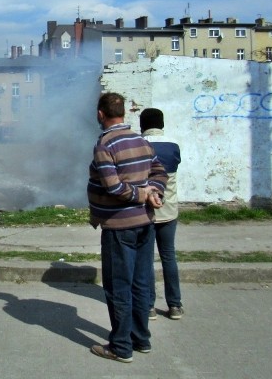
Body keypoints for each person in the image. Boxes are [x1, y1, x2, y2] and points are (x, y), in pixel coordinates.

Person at [87, 92, 167, 363]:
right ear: (124, 113)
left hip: (120, 227)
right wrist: (155, 191)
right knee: (140, 283)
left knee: (118, 286)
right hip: (145, 223)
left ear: (101, 114)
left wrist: (143, 194)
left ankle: (121, 347)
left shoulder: (105, 144)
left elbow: (114, 186)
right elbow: (159, 172)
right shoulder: (140, 140)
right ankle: (141, 339)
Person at [140, 107, 184, 321]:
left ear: (142, 125)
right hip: (169, 209)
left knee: (146, 259)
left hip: (146, 211)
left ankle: (149, 306)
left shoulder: (139, 145)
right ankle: (174, 305)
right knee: (169, 256)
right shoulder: (174, 145)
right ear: (162, 124)